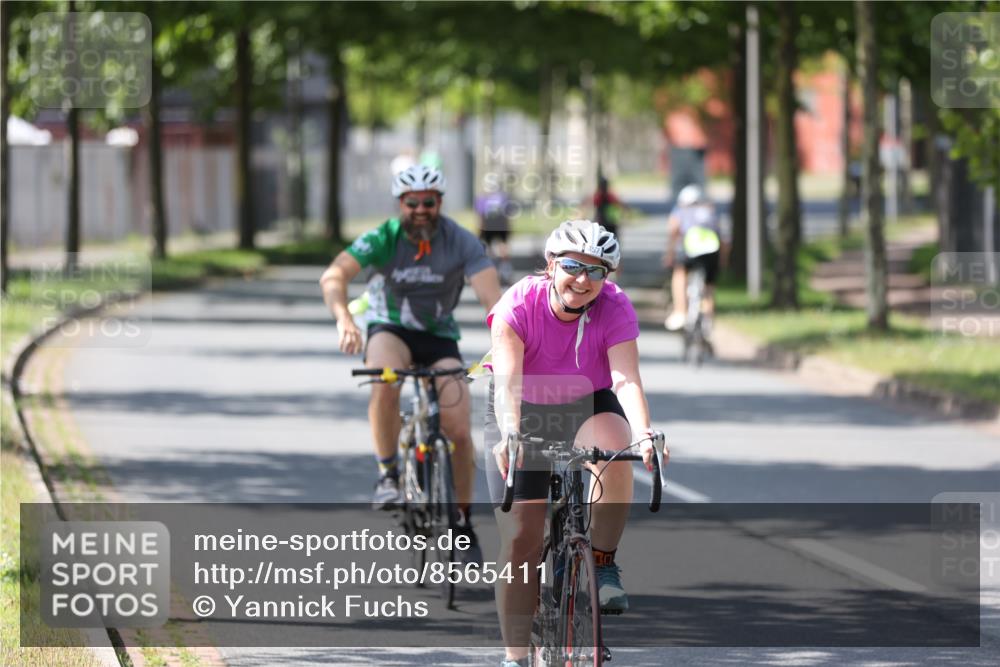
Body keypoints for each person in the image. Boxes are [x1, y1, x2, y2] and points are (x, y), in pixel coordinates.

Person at [483, 219, 670, 667]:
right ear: (551, 265)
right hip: (524, 404)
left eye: (596, 271)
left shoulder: (615, 306)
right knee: (522, 541)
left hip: (587, 401)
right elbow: (508, 381)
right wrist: (511, 431)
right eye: (572, 266)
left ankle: (601, 560)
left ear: (609, 277)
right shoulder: (518, 304)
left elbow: (625, 379)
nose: (583, 280)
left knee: (615, 444)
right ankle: (514, 657)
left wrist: (645, 430)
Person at [320, 164, 503, 565]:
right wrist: (344, 319)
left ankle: (462, 522)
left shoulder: (461, 241)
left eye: (429, 202)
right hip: (392, 329)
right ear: (400, 203)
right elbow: (334, 276)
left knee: (457, 422)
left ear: (440, 202)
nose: (421, 209)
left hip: (439, 336)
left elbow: (495, 300)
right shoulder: (384, 237)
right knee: (385, 381)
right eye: (412, 202)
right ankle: (388, 474)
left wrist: (503, 340)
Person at [663, 184, 725, 336]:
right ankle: (709, 321)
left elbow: (673, 232)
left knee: (679, 272)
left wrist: (669, 255)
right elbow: (723, 239)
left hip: (691, 250)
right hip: (712, 251)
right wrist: (722, 260)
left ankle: (681, 311)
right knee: (709, 287)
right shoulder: (710, 212)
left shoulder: (681, 211)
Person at [475, 189, 514, 286]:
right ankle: (505, 272)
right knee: (503, 250)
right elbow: (508, 215)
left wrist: (480, 230)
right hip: (501, 224)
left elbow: (481, 216)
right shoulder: (504, 197)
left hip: (488, 225)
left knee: (489, 251)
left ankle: (490, 273)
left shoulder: (483, 197)